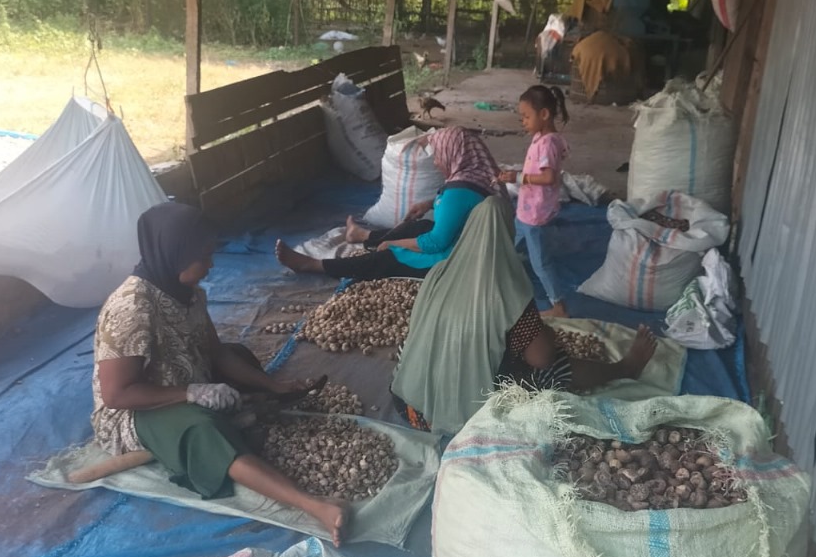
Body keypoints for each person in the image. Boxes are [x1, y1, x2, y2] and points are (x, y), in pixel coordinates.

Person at [92, 202, 348, 546]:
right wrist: (191, 394)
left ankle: (245, 409)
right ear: (176, 255)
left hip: (184, 380)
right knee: (200, 426)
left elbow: (215, 352)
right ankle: (313, 506)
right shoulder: (131, 307)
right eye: (204, 257)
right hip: (134, 412)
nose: (211, 265)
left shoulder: (189, 293)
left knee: (240, 356)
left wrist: (273, 385)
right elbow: (116, 394)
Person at [391, 197, 657, 437]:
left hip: (410, 405)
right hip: (463, 420)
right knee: (553, 368)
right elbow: (542, 358)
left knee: (413, 346)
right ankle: (624, 369)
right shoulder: (508, 292)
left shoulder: (438, 273)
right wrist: (546, 335)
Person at [276, 126, 504, 280]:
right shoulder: (479, 179)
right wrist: (430, 204)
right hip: (473, 247)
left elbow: (434, 243)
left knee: (387, 258)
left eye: (438, 155)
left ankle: (313, 265)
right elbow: (462, 208)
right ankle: (363, 236)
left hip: (455, 262)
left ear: (453, 153)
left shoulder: (459, 192)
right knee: (420, 226)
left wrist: (395, 244)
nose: (436, 162)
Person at [499, 84, 571, 319]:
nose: (523, 122)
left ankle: (559, 306)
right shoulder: (541, 138)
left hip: (536, 215)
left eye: (526, 116)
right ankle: (503, 285)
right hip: (525, 211)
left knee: (541, 262)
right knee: (510, 248)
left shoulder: (548, 143)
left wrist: (519, 178)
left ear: (544, 114)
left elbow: (549, 178)